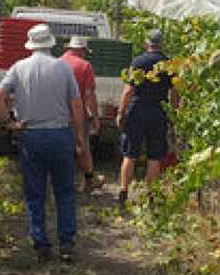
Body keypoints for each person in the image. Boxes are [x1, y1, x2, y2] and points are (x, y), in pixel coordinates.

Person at [0, 23, 86, 263]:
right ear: (51, 43)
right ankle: (66, 244)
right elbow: (76, 105)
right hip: (59, 134)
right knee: (64, 191)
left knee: (35, 193)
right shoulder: (63, 68)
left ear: (30, 45)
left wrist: (10, 123)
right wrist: (79, 136)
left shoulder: (19, 68)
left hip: (31, 135)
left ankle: (40, 243)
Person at [116, 29, 178, 206]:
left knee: (130, 153)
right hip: (158, 111)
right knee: (154, 155)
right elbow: (174, 92)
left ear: (147, 43)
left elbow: (128, 91)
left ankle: (123, 189)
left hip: (137, 110)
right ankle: (150, 195)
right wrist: (174, 113)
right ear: (161, 44)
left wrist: (121, 112)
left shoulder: (138, 61)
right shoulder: (168, 64)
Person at [60, 35, 104, 192]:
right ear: (82, 50)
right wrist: (96, 117)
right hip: (77, 114)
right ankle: (89, 181)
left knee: (60, 148)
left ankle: (58, 182)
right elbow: (89, 95)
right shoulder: (85, 66)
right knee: (82, 147)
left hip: (57, 114)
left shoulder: (57, 63)